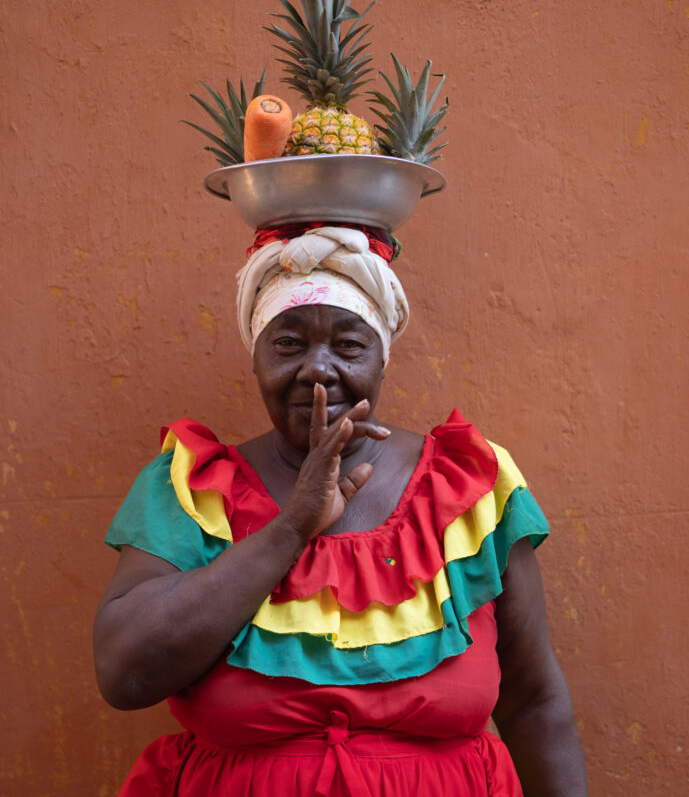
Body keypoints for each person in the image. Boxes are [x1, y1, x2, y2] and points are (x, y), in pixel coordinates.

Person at [94, 224, 588, 795]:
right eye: (288, 343)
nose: (318, 369)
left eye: (350, 346)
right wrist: (293, 526)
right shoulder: (195, 488)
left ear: (383, 359)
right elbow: (124, 675)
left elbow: (534, 702)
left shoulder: (468, 488)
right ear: (254, 355)